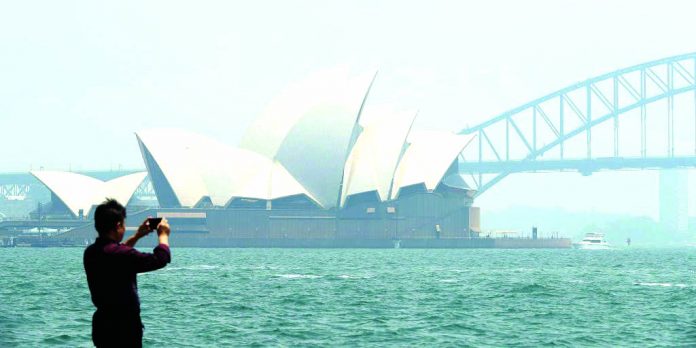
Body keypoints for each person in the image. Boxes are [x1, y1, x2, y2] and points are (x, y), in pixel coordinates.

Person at [83, 198, 172, 347]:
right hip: (124, 327)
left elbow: (117, 253)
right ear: (118, 225)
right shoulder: (121, 255)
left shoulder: (91, 252)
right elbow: (161, 259)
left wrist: (137, 236)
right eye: (123, 225)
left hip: (102, 325)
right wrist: (163, 236)